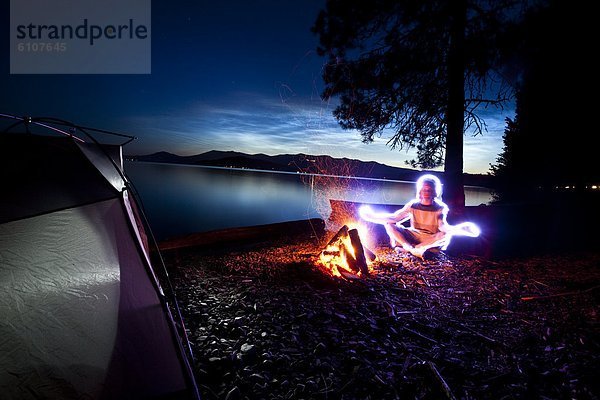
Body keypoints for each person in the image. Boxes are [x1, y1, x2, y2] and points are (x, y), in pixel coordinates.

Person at [359, 174, 478, 258]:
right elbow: (394, 218)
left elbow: (443, 227)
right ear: (419, 191)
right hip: (413, 236)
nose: (426, 192)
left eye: (429, 190)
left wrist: (461, 229)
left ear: (435, 192)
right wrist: (371, 216)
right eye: (424, 189)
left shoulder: (440, 208)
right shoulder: (413, 205)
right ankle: (410, 248)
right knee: (389, 225)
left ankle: (412, 249)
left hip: (429, 239)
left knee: (444, 235)